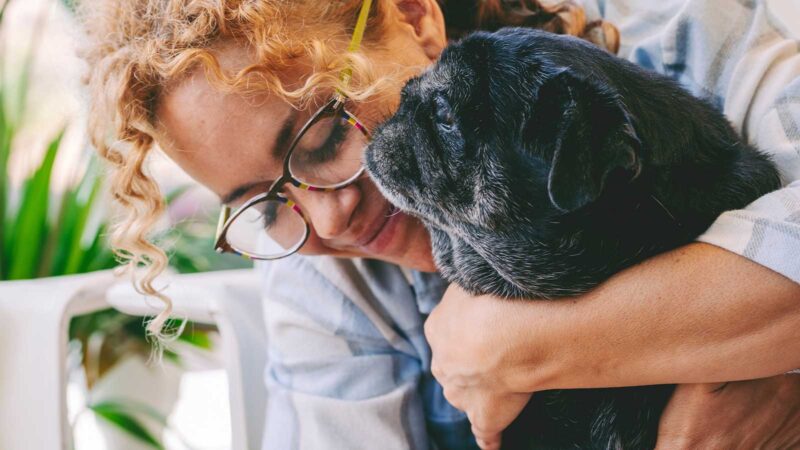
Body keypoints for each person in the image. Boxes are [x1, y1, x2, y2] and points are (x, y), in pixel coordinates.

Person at [80, 0, 800, 449]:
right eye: (268, 204)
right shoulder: (324, 285)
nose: (331, 215)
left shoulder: (685, 45)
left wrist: (507, 348)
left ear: (416, 18)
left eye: (329, 136)